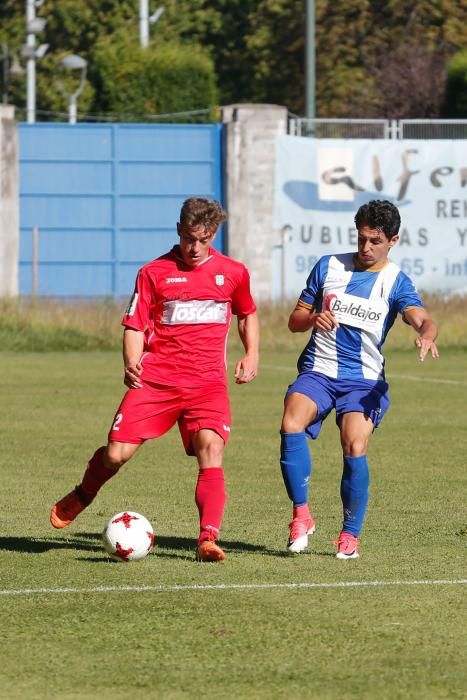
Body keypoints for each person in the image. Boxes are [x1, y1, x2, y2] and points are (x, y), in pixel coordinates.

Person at [50, 197, 259, 563]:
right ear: (179, 230)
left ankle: (207, 538)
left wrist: (252, 352)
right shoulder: (153, 272)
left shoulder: (234, 272)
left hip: (207, 383)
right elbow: (134, 324)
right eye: (190, 238)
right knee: (116, 454)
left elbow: (247, 313)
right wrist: (132, 361)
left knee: (211, 449)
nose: (195, 248)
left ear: (214, 235)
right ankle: (83, 494)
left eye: (204, 239)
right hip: (157, 380)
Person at [280, 199, 438, 559]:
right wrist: (312, 318)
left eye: (375, 241)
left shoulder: (395, 281)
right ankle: (301, 515)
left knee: (354, 443)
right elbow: (294, 320)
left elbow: (423, 318)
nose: (366, 247)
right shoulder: (328, 266)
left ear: (393, 241)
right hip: (319, 369)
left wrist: (427, 335)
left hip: (363, 382)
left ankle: (350, 534)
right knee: (290, 422)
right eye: (361, 238)